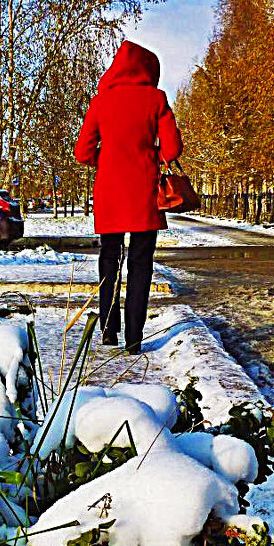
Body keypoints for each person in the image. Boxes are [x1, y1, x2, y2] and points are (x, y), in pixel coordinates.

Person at [74, 40, 183, 354]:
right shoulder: (155, 98)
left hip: (109, 193)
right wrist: (151, 154)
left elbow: (82, 153)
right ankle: (134, 338)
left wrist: (106, 159)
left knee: (109, 261)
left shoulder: (101, 102)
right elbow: (174, 150)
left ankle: (109, 330)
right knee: (140, 264)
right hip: (144, 194)